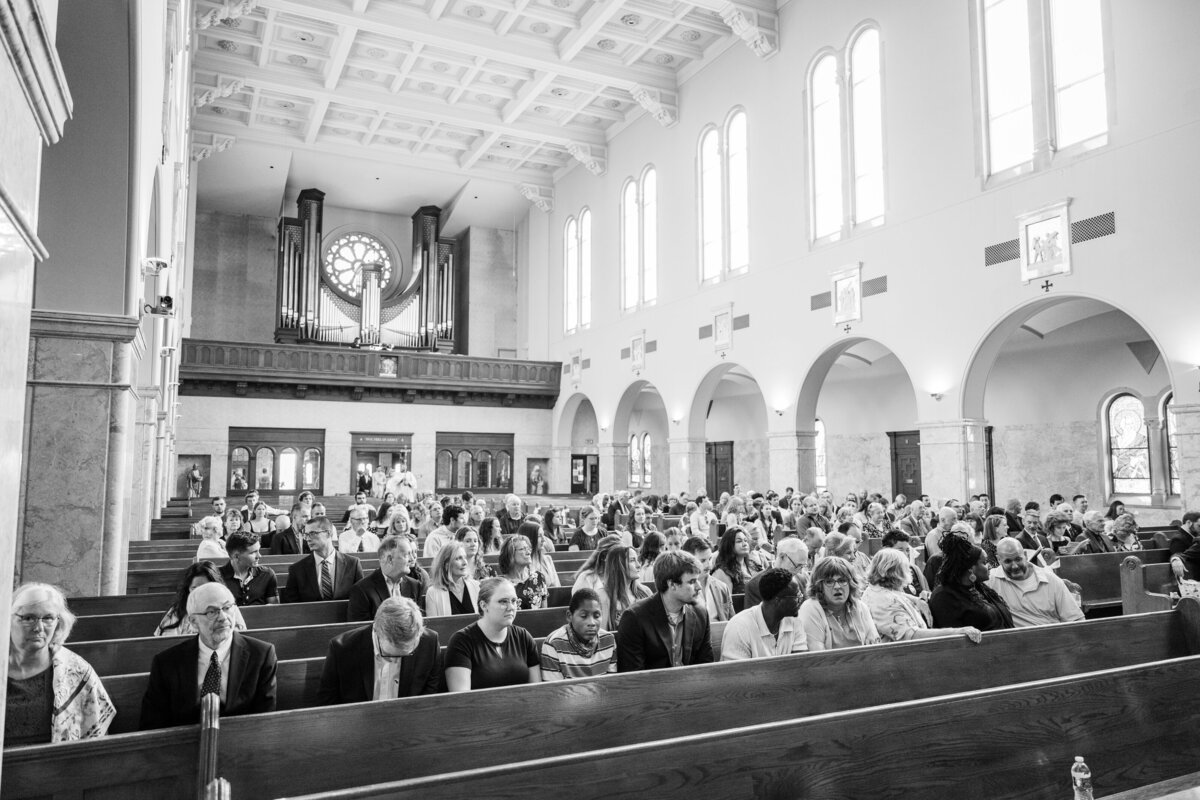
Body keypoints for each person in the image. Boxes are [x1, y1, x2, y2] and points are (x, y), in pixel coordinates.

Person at [140, 583, 277, 729]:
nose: (223, 617)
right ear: (193, 622)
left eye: (227, 607)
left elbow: (264, 722)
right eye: (211, 612)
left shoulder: (261, 655)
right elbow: (152, 724)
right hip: (183, 740)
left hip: (242, 738)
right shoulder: (166, 663)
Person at [7, 583, 115, 744]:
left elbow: (97, 737)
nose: (38, 627)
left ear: (58, 622)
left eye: (48, 618)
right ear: (7, 619)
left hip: (57, 758)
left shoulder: (77, 670)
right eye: (28, 618)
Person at [317, 597, 441, 703]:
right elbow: (327, 703)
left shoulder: (429, 643)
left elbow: (429, 698)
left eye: (406, 653)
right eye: (388, 654)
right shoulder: (342, 649)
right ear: (376, 630)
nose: (394, 660)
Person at [616, 551, 714, 671]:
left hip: (691, 682)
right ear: (672, 584)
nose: (699, 587)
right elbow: (633, 674)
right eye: (692, 582)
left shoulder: (700, 613)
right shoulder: (634, 618)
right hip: (652, 683)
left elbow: (706, 665)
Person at [863, 549, 980, 644]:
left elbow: (894, 594)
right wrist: (957, 632)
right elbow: (913, 636)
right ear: (895, 572)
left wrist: (917, 600)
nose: (909, 571)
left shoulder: (876, 589)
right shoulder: (885, 601)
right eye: (905, 568)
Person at [445, 577, 541, 690]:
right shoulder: (461, 641)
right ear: (484, 605)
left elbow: (537, 690)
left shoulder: (523, 637)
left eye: (514, 601)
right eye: (503, 601)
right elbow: (461, 697)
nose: (511, 607)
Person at [988, 538, 1084, 627]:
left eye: (1018, 559)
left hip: (1052, 635)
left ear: (1025, 555)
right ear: (999, 560)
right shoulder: (991, 581)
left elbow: (1076, 619)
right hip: (1014, 638)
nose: (1015, 566)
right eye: (1008, 561)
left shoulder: (1051, 580)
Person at [929, 534, 1015, 631]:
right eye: (984, 562)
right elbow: (952, 634)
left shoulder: (979, 587)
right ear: (971, 568)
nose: (990, 566)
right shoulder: (944, 596)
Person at [720, 568, 807, 660]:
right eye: (797, 596)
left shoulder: (795, 621)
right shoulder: (740, 627)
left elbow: (801, 663)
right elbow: (737, 669)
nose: (801, 600)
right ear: (778, 601)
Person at [797, 557, 881, 651]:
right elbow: (818, 655)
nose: (837, 587)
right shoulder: (810, 609)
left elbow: (874, 647)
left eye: (842, 581)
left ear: (851, 583)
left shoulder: (860, 607)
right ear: (819, 586)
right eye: (829, 582)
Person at [540, 588, 618, 680]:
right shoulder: (553, 644)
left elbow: (611, 683)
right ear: (569, 616)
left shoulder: (608, 640)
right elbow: (554, 687)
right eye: (584, 616)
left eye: (596, 616)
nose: (591, 623)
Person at [281, 516, 364, 602]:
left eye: (312, 533)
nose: (307, 539)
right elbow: (291, 605)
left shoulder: (353, 564)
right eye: (306, 535)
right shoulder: (297, 569)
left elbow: (361, 598)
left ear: (328, 533)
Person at [156, 562, 248, 636]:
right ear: (188, 589)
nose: (200, 594)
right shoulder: (178, 611)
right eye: (195, 588)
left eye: (206, 588)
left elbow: (240, 636)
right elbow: (166, 642)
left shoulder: (229, 607)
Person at [347, 535, 423, 622]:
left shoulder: (414, 586)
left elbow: (418, 623)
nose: (412, 559)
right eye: (406, 555)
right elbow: (360, 628)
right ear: (390, 559)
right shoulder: (362, 590)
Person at [744, 536, 809, 608]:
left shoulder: (802, 579)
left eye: (803, 566)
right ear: (782, 557)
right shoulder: (755, 585)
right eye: (798, 566)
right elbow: (755, 614)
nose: (800, 571)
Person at [681, 535, 735, 622]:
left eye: (710, 559)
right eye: (702, 561)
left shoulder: (722, 587)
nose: (708, 564)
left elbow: (732, 621)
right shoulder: (680, 589)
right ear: (688, 561)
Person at [599, 544, 652, 630]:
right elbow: (602, 634)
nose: (638, 565)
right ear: (618, 565)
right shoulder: (604, 595)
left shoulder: (645, 592)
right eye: (632, 560)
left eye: (637, 560)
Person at [219, 532, 278, 606]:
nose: (259, 556)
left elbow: (274, 608)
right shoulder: (217, 577)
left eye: (258, 551)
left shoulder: (267, 574)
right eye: (253, 552)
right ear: (236, 556)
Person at [425, 541, 480, 617]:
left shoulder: (477, 587)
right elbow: (434, 623)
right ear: (446, 564)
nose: (465, 563)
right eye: (458, 558)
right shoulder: (433, 593)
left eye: (465, 557)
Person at [499, 527, 548, 610]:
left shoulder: (539, 577)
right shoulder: (502, 585)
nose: (528, 552)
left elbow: (544, 611)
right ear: (510, 554)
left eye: (528, 548)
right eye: (522, 549)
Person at [710, 527, 754, 595]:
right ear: (729, 545)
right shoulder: (722, 572)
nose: (745, 544)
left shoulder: (752, 565)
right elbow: (725, 600)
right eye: (739, 541)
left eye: (745, 540)